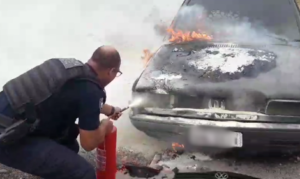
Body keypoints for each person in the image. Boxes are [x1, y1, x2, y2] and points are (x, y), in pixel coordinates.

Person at [0, 45, 123, 179]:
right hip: (8, 136)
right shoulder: (91, 91)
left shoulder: (66, 68)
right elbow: (88, 143)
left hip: (12, 120)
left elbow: (80, 96)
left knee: (69, 144)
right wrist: (105, 125)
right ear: (111, 71)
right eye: (117, 73)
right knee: (84, 173)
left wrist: (110, 110)